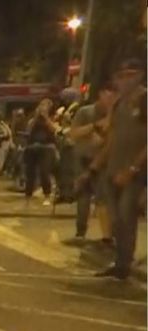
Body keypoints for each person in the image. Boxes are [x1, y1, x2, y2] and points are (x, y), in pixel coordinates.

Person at [82, 57, 147, 280]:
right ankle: (120, 262)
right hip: (114, 171)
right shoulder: (120, 105)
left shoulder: (145, 100)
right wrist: (94, 167)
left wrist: (132, 169)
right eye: (121, 76)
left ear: (139, 76)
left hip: (134, 173)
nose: (123, 81)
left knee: (126, 215)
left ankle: (124, 264)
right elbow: (112, 139)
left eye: (129, 75)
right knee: (117, 219)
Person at [66, 82, 116, 245]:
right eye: (109, 94)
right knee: (83, 196)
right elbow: (74, 133)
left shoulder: (115, 114)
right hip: (83, 158)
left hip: (102, 161)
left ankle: (107, 237)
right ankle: (80, 232)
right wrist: (94, 126)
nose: (111, 98)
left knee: (103, 197)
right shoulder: (85, 112)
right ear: (101, 94)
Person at [24, 99, 59, 204]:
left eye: (46, 105)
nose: (43, 106)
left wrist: (46, 117)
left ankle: (47, 195)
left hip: (47, 147)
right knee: (30, 173)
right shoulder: (33, 120)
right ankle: (28, 195)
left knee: (44, 171)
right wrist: (36, 117)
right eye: (41, 104)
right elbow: (28, 130)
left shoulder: (53, 118)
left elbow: (54, 130)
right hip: (33, 147)